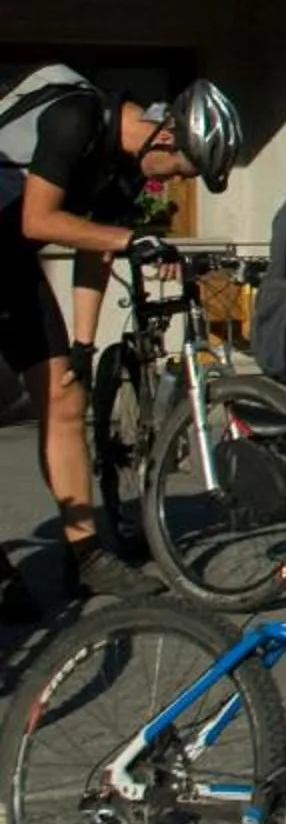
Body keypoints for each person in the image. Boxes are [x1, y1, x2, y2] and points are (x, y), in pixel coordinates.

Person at [0, 71, 242, 615]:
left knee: (66, 400)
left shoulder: (125, 171)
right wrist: (133, 237)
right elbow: (39, 220)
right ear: (166, 136)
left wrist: (84, 346)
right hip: (15, 241)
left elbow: (97, 250)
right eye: (180, 170)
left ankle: (85, 556)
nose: (172, 183)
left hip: (10, 265)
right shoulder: (74, 119)